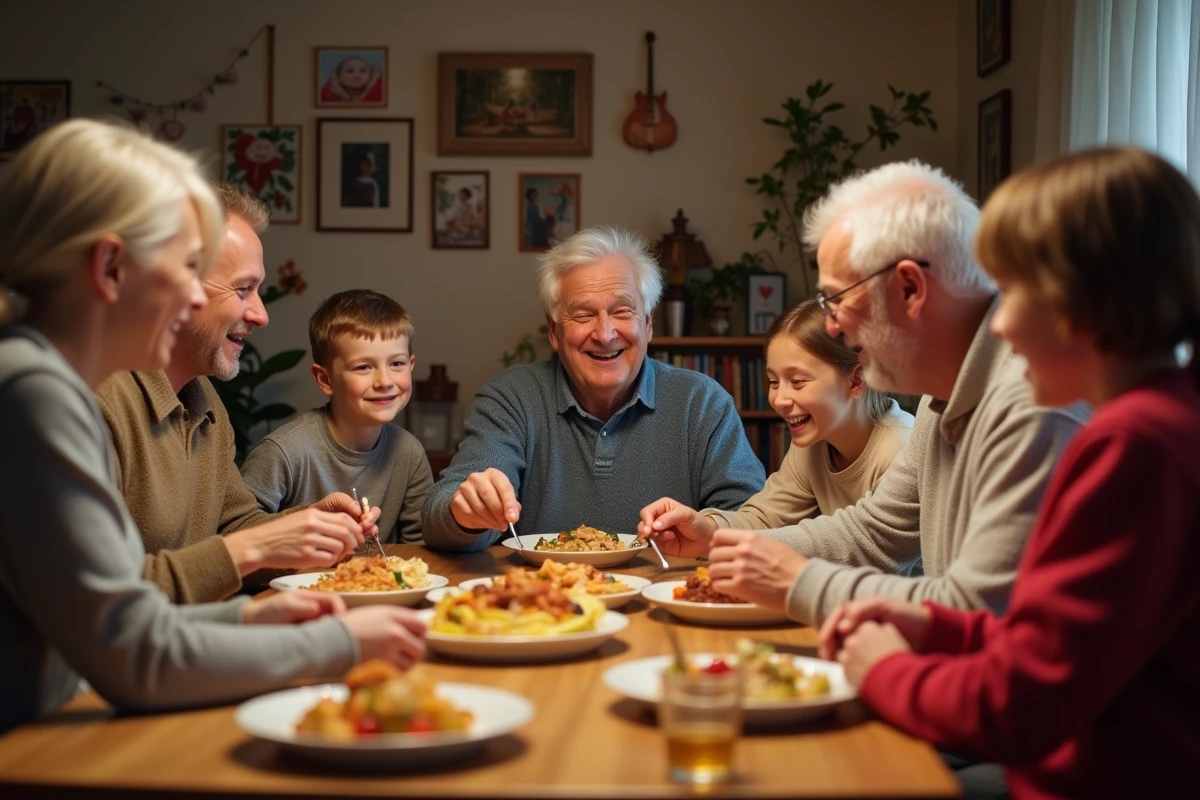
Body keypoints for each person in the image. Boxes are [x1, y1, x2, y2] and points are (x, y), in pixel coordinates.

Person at [0, 119, 426, 735]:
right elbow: (132, 651)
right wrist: (339, 645)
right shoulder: (33, 393)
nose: (195, 298)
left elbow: (122, 619)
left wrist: (249, 622)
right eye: (186, 266)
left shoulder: (47, 381)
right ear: (113, 268)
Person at [822, 146, 1200, 800]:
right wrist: (936, 626)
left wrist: (884, 671)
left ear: (1081, 300)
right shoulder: (1156, 423)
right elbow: (1057, 643)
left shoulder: (1134, 447)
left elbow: (1018, 706)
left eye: (1014, 290)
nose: (998, 320)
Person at [642, 160, 1088, 625]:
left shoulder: (1033, 406)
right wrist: (714, 538)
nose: (833, 325)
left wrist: (797, 582)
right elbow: (871, 531)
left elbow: (979, 612)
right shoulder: (944, 400)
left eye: (838, 299)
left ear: (910, 288)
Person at [95, 183, 377, 604]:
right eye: (243, 289)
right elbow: (97, 599)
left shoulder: (203, 400)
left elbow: (232, 529)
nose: (261, 314)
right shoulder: (95, 400)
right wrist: (259, 549)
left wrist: (306, 526)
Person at [421, 226, 765, 551]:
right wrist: (467, 516)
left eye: (622, 311)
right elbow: (439, 516)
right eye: (584, 315)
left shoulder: (702, 402)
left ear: (647, 324)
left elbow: (754, 521)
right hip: (542, 605)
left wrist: (708, 530)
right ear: (554, 331)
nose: (605, 334)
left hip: (665, 600)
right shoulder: (510, 399)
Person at [639, 299, 913, 539]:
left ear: (856, 380)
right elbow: (764, 520)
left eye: (797, 381)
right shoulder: (815, 442)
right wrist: (704, 526)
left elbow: (869, 548)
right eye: (773, 381)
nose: (778, 399)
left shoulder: (903, 451)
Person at [241, 289, 433, 544]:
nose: (385, 381)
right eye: (363, 367)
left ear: (411, 365)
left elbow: (420, 549)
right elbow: (235, 539)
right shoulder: (284, 452)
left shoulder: (409, 453)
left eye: (396, 364)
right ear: (325, 379)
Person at [319, 55, 383, 105]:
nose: (357, 76)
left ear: (370, 76)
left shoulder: (381, 91)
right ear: (338, 78)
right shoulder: (326, 95)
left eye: (363, 71)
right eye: (350, 71)